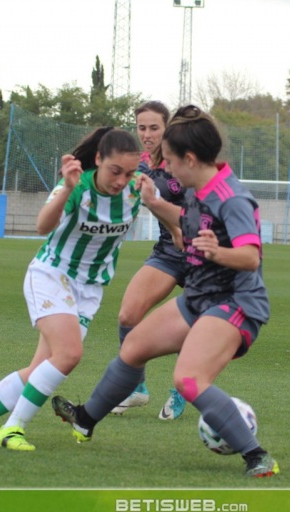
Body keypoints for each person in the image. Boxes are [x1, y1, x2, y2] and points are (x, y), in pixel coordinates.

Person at [50, 105, 279, 477]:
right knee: (134, 346)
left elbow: (251, 257)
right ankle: (86, 418)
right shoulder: (197, 188)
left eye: (170, 161)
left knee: (188, 380)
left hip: (235, 303)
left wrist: (216, 251)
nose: (166, 168)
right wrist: (155, 202)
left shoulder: (232, 198)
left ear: (189, 158)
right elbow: (185, 219)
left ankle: (257, 456)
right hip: (200, 298)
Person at [0, 127, 143, 451]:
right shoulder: (77, 185)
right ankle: (12, 429)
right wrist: (66, 189)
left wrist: (175, 228)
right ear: (99, 160)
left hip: (90, 290)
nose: (121, 180)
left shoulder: (137, 191)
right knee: (69, 354)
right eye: (115, 171)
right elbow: (43, 226)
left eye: (129, 172)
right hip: (52, 275)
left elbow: (170, 218)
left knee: (39, 369)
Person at [110, 101, 189, 421]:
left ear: (167, 128)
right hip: (168, 252)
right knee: (128, 314)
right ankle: (136, 387)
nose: (147, 134)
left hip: (206, 255)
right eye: (141, 127)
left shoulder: (185, 160)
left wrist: (177, 229)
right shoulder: (140, 165)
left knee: (197, 327)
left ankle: (183, 389)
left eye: (154, 127)